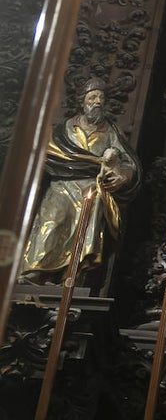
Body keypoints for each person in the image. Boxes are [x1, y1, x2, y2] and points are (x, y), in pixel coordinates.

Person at [20, 79, 141, 286]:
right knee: (52, 221)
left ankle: (73, 274)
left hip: (91, 186)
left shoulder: (111, 132)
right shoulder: (64, 129)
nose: (98, 102)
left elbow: (129, 163)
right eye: (92, 97)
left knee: (90, 217)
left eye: (101, 98)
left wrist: (122, 176)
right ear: (82, 102)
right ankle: (35, 271)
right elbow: (49, 154)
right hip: (61, 185)